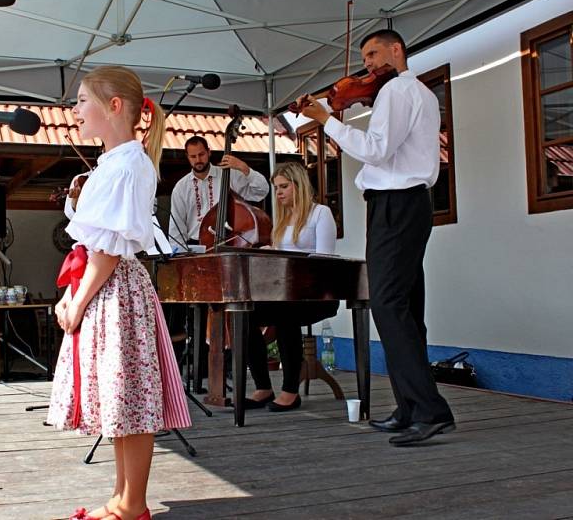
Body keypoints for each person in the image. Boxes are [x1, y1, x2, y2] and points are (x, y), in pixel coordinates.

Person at [295, 29, 455, 446]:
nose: (366, 63)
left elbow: (377, 150)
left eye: (373, 53)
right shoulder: (408, 92)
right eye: (364, 55)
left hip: (397, 204)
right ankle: (410, 407)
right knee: (406, 306)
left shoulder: (398, 92)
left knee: (386, 303)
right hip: (404, 204)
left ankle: (429, 409)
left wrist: (327, 120)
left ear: (397, 50)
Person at [46, 65, 190, 520]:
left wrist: (77, 300)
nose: (75, 111)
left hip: (115, 288)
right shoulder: (115, 162)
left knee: (130, 398)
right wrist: (75, 295)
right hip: (108, 286)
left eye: (82, 100)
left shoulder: (128, 164)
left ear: (114, 106)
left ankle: (133, 505)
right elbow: (96, 248)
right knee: (119, 397)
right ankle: (123, 497)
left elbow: (106, 252)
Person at [245, 161, 339, 412]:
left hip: (316, 294)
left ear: (299, 185)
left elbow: (325, 262)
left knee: (286, 316)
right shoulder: (283, 220)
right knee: (244, 316)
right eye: (276, 188)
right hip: (285, 293)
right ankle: (263, 387)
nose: (278, 193)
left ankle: (290, 391)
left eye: (284, 186)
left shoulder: (321, 214)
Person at [168, 135, 269, 250]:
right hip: (195, 247)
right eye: (193, 156)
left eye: (201, 154)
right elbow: (176, 227)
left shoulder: (229, 175)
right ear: (187, 157)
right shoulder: (181, 187)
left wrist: (244, 168)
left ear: (209, 152)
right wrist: (181, 254)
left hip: (230, 244)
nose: (198, 160)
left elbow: (261, 191)